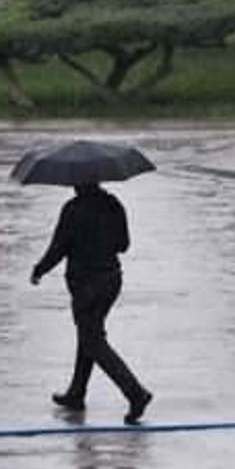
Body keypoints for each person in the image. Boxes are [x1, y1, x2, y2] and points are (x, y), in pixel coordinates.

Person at [31, 182, 153, 425]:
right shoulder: (113, 204)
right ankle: (77, 393)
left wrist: (39, 270)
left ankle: (135, 393)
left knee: (93, 340)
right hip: (111, 281)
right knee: (89, 334)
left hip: (85, 285)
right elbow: (123, 245)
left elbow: (58, 248)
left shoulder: (73, 209)